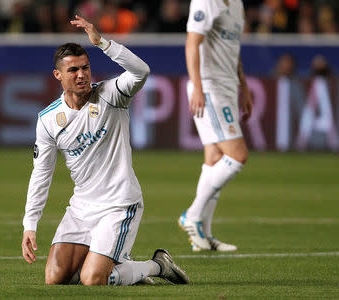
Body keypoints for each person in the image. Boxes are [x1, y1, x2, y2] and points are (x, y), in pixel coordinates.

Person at [21, 15, 189, 286]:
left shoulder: (112, 95)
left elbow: (141, 71)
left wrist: (103, 43)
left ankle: (157, 265)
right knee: (55, 278)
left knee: (92, 279)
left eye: (85, 68)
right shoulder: (48, 120)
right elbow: (41, 174)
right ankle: (126, 272)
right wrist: (30, 224)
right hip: (82, 208)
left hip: (119, 204)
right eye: (73, 70)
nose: (81, 75)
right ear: (58, 75)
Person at [178, 0, 253, 252]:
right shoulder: (206, 1)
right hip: (210, 87)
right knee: (238, 155)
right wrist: (198, 87)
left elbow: (233, 48)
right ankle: (193, 215)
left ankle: (204, 235)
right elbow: (192, 43)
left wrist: (243, 85)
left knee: (215, 156)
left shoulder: (237, 4)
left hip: (228, 86)